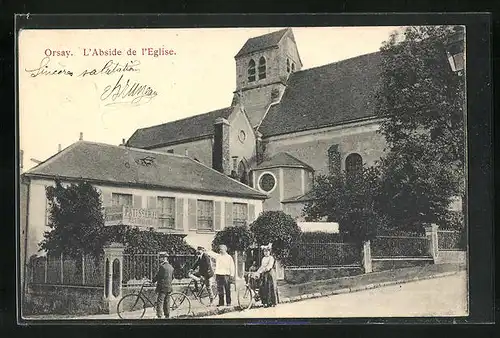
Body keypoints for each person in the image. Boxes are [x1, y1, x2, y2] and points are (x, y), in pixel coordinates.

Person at [152, 252, 174, 319]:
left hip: (162, 287)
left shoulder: (162, 267)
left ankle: (159, 316)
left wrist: (153, 281)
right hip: (169, 287)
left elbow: (158, 276)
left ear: (164, 258)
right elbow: (172, 277)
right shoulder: (171, 267)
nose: (160, 259)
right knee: (167, 302)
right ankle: (167, 316)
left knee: (160, 301)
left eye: (161, 258)